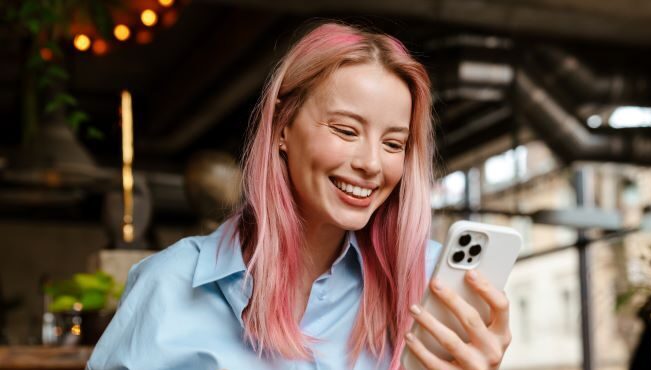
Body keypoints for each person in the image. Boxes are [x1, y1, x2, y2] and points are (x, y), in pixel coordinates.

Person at [87, 22, 512, 370]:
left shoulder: (427, 281)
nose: (372, 164)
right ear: (282, 129)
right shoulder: (169, 285)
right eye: (346, 130)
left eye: (393, 144)